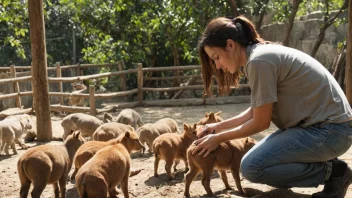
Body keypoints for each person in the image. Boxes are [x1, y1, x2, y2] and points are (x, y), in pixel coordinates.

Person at [192, 15, 352, 198]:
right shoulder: (260, 55)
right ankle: (332, 170)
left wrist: (218, 138)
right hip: (328, 129)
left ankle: (334, 172)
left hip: (329, 132)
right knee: (257, 160)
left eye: (216, 57)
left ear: (230, 45)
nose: (218, 66)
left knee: (252, 167)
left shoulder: (259, 62)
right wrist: (218, 127)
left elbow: (260, 123)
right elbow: (257, 109)